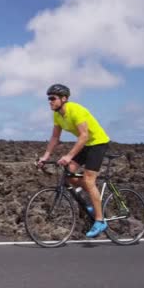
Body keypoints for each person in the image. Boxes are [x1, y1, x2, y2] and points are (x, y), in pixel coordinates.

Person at [37, 84, 111, 238]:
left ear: (64, 99)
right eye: (48, 98)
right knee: (69, 174)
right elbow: (55, 138)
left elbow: (84, 136)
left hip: (98, 143)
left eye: (53, 98)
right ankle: (92, 201)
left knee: (89, 180)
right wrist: (45, 156)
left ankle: (100, 220)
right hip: (86, 145)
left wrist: (69, 155)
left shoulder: (76, 110)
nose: (49, 101)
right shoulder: (57, 115)